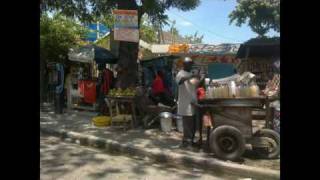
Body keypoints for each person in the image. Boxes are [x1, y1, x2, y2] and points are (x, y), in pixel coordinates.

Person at [175, 57, 201, 149]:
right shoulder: (180, 73)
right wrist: (192, 76)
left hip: (193, 102)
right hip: (185, 104)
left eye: (191, 64)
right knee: (187, 124)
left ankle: (190, 141)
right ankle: (186, 143)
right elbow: (180, 81)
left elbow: (195, 85)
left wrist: (199, 78)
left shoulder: (190, 73)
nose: (190, 66)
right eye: (189, 64)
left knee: (193, 124)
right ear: (184, 64)